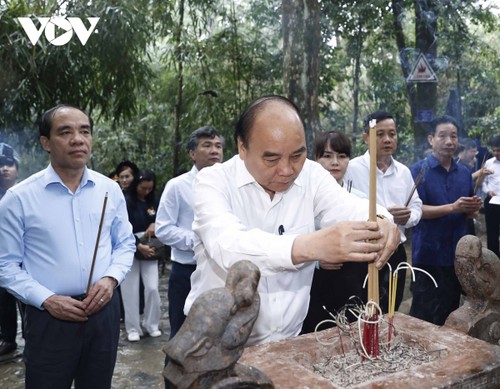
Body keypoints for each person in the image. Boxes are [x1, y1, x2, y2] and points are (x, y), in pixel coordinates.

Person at [184, 95, 400, 346]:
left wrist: (382, 220)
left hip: (289, 342)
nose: (287, 170)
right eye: (272, 159)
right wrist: (310, 246)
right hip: (216, 347)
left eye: (297, 155)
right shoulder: (213, 181)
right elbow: (228, 246)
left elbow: (350, 206)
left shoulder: (311, 176)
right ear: (242, 147)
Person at [0, 104, 136, 389]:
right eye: (65, 132)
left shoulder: (109, 190)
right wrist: (48, 299)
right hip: (48, 317)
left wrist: (111, 279)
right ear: (45, 143)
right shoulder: (19, 199)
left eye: (84, 131)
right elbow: (5, 264)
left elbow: (124, 243)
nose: (78, 139)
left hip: (103, 310)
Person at [345, 111, 422, 314]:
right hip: (363, 252)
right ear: (366, 137)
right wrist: (384, 216)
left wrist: (408, 217)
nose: (387, 139)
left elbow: (417, 207)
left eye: (392, 134)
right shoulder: (351, 169)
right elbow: (343, 206)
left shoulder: (404, 172)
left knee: (391, 308)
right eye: (380, 134)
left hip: (395, 251)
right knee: (360, 310)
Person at [409, 115, 482, 326]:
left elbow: (468, 213)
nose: (449, 142)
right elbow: (416, 210)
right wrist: (453, 207)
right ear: (431, 139)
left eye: (453, 136)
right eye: (443, 136)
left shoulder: (465, 173)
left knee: (450, 310)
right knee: (423, 313)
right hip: (428, 254)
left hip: (457, 254)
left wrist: (472, 210)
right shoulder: (418, 170)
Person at [156, 126, 224, 342]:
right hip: (186, 272)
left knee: (219, 334)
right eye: (207, 145)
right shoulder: (177, 186)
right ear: (192, 153)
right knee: (182, 336)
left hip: (222, 272)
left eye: (218, 146)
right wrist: (199, 241)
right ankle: (173, 377)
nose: (214, 150)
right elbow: (163, 229)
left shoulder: (232, 185)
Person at [301, 130, 369, 334]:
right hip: (315, 280)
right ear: (315, 159)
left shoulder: (359, 199)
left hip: (353, 278)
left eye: (341, 156)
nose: (335, 163)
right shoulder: (303, 200)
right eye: (327, 156)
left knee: (351, 332)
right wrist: (316, 261)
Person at [121, 169, 162, 342]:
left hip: (150, 245)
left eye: (149, 189)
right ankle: (132, 327)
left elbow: (163, 218)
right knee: (130, 289)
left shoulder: (153, 201)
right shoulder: (125, 201)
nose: (146, 192)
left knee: (152, 287)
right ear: (136, 185)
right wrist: (137, 246)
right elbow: (121, 227)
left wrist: (155, 223)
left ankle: (152, 324)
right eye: (143, 188)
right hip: (129, 245)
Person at [0, 143, 21, 357]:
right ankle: (8, 339)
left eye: (9, 165)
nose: (5, 169)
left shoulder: (27, 192)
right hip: (2, 256)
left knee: (27, 300)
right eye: (1, 165)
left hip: (26, 256)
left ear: (17, 169)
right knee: (4, 301)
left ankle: (32, 340)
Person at [482, 135, 500, 257]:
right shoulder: (488, 163)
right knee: (492, 232)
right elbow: (483, 182)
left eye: (498, 150)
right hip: (492, 201)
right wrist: (488, 191)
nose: (496, 153)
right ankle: (493, 258)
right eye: (494, 150)